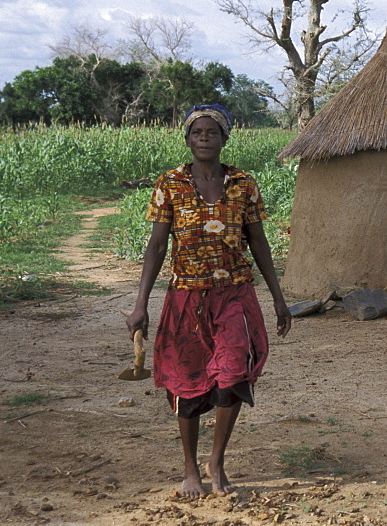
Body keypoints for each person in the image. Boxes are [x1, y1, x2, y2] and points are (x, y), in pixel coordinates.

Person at [125, 104, 291, 498]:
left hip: (235, 294)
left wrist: (279, 299)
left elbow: (259, 243)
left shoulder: (244, 184)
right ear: (187, 138)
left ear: (224, 138)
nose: (204, 138)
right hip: (185, 296)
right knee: (187, 381)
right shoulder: (171, 184)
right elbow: (157, 245)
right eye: (197, 132)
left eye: (211, 132)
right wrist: (140, 303)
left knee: (232, 374)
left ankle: (216, 461)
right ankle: (189, 468)